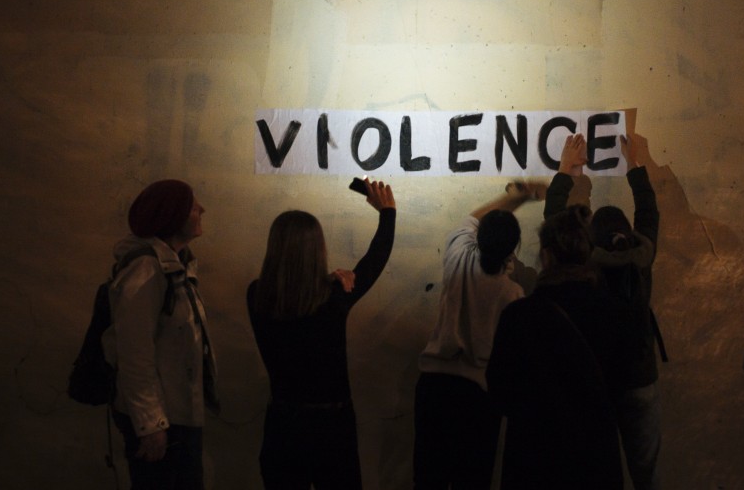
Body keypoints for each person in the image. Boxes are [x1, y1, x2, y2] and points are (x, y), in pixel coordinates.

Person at [247, 180, 396, 490]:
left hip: (282, 425)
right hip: (332, 428)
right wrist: (388, 213)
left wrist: (328, 280)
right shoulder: (333, 298)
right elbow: (373, 262)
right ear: (317, 250)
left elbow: (293, 296)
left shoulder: (257, 295)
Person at [544, 133, 663, 490]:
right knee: (648, 474)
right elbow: (648, 211)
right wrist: (636, 166)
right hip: (640, 378)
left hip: (594, 381)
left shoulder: (583, 262)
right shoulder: (642, 257)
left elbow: (553, 220)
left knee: (594, 472)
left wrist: (566, 172)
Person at [413, 182, 544, 490]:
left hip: (434, 387)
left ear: (480, 238)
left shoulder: (458, 254)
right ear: (512, 251)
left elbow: (474, 218)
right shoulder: (513, 295)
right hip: (476, 397)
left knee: (427, 481)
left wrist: (516, 198)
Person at [486, 204, 623, 490]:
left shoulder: (519, 315)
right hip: (594, 461)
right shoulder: (610, 312)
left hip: (533, 462)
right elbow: (623, 385)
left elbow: (499, 392)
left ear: (546, 256)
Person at [105, 179, 219, 490]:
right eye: (194, 206)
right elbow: (134, 353)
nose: (202, 210)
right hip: (163, 422)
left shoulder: (176, 266)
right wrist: (150, 425)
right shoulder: (146, 269)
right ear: (173, 215)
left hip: (178, 415)